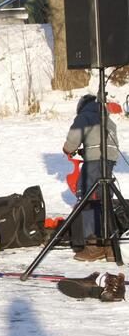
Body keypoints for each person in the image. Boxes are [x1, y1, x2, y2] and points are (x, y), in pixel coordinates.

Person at [63, 94, 120, 262]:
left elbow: (73, 138)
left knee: (89, 198)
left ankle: (93, 246)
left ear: (81, 106)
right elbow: (101, 141)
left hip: (94, 162)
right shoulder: (106, 117)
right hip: (109, 160)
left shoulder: (84, 116)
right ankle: (110, 247)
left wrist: (68, 149)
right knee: (105, 200)